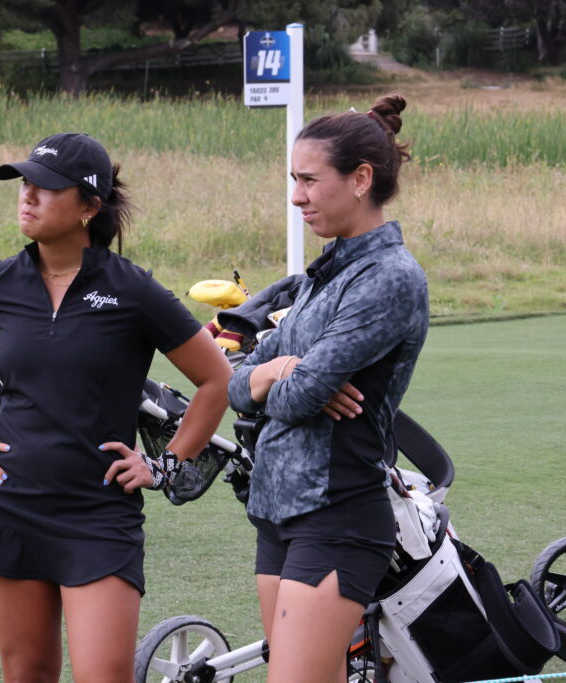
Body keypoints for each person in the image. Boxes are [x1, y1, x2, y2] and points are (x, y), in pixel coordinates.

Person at [0, 132, 231, 683]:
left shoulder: (133, 290)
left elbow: (215, 380)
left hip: (98, 514)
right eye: (24, 183)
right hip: (12, 504)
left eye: (46, 187)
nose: (27, 196)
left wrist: (167, 463)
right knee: (27, 673)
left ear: (88, 207)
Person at [227, 94, 429, 683]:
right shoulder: (327, 270)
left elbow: (304, 394)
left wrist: (287, 377)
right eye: (294, 179)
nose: (296, 196)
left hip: (337, 513)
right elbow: (236, 381)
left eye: (309, 180)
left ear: (361, 179)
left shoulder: (390, 277)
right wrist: (274, 371)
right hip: (275, 510)